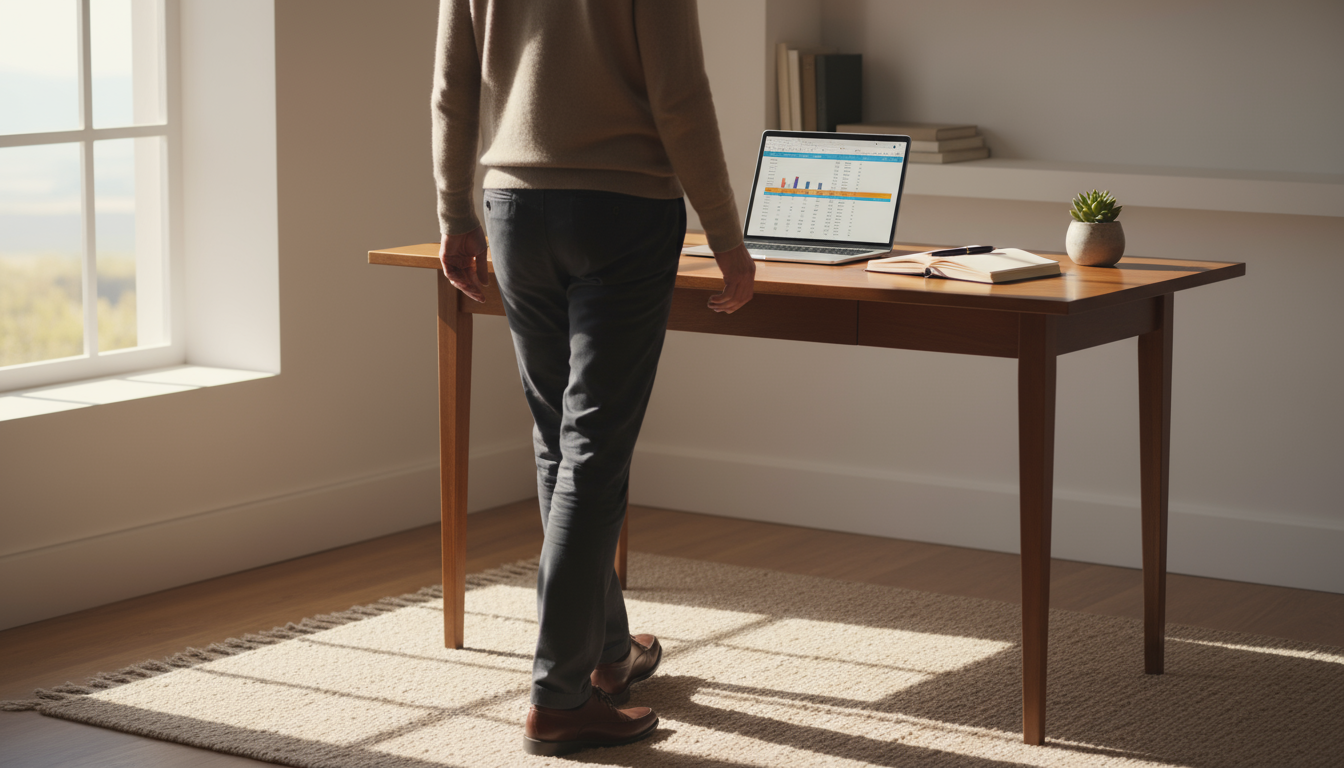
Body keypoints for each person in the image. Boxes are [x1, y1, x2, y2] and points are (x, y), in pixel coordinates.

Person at [432, 0, 755, 756]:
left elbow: (453, 83)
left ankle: (608, 651)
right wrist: (725, 233)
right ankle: (557, 697)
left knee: (562, 440)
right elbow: (679, 94)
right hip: (623, 210)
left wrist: (453, 210)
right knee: (593, 448)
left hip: (513, 207)